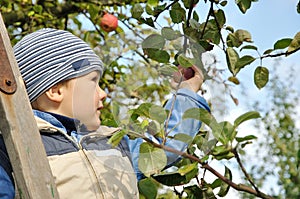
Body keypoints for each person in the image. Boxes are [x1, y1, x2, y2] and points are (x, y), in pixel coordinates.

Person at [0, 28, 210, 198]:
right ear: (55, 91)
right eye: (92, 83)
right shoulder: (14, 147)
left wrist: (187, 92)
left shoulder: (115, 144)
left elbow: (163, 144)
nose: (103, 94)